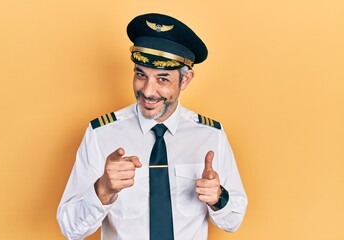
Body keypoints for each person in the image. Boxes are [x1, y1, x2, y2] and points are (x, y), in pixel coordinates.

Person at [57, 13, 247, 240]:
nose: (147, 91)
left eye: (163, 79)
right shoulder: (101, 134)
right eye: (141, 75)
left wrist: (218, 198)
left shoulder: (210, 135)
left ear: (185, 80)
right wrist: (103, 190)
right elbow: (70, 228)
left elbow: (233, 221)